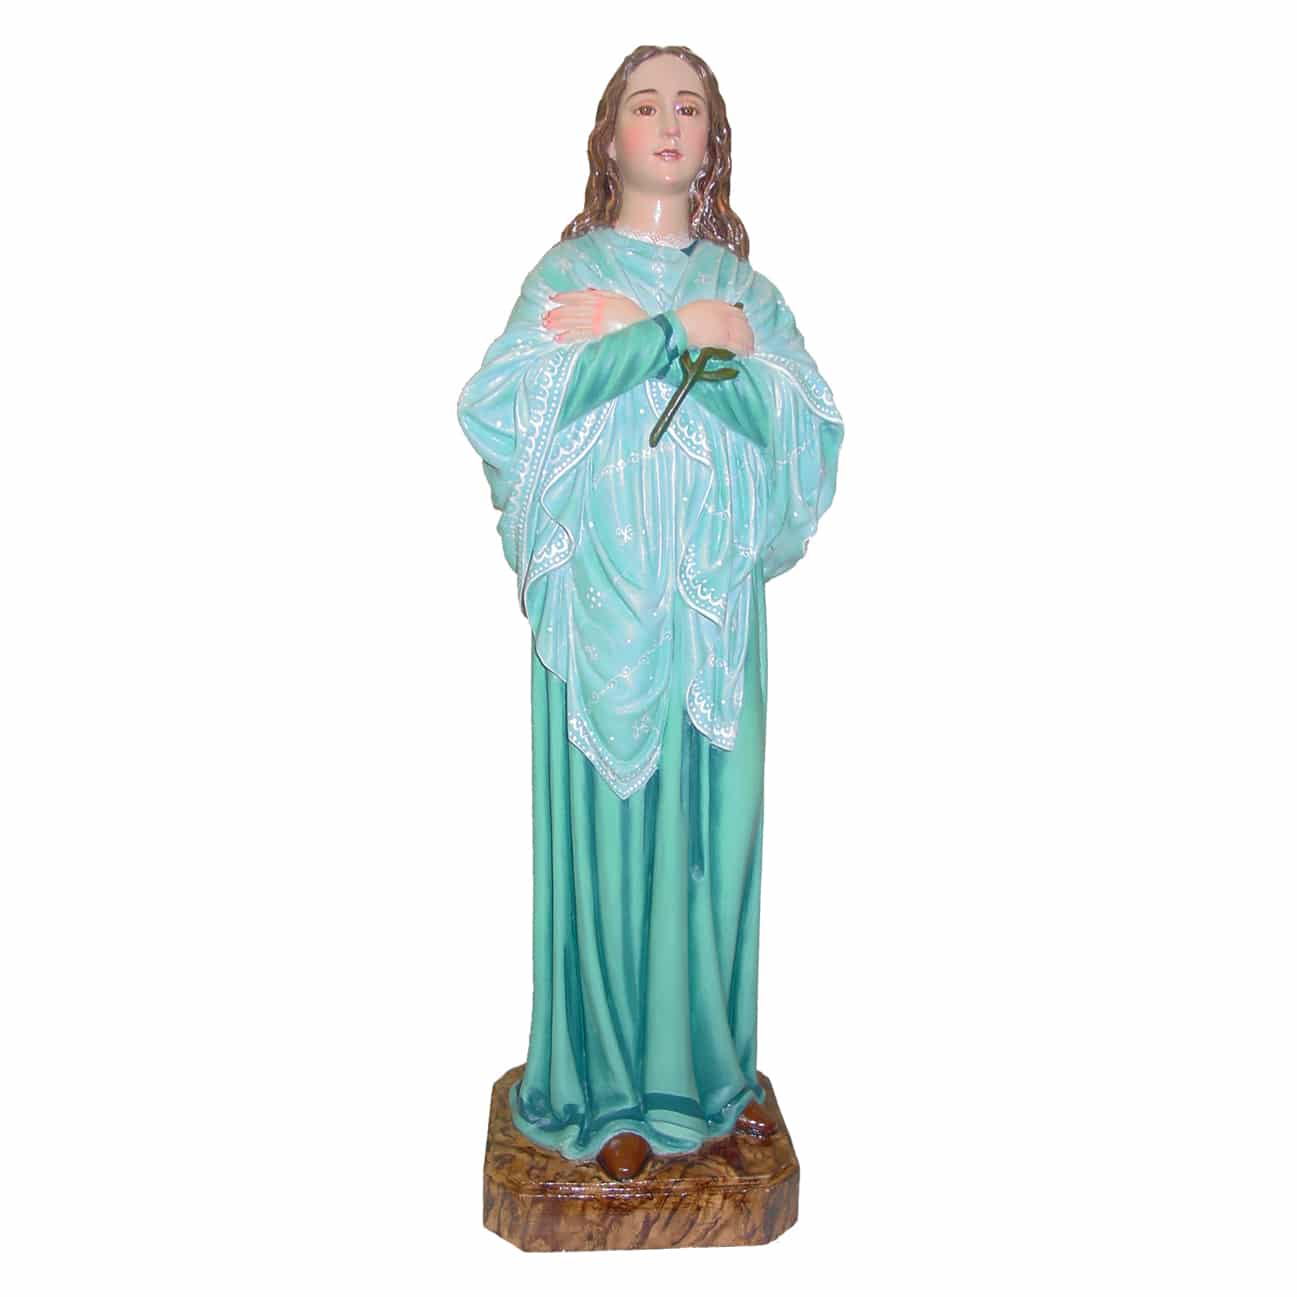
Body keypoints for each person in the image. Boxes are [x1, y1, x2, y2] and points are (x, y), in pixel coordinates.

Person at [457, 44, 843, 1181]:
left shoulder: (746, 292)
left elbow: (808, 428)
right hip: (602, 615)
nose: (668, 123)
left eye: (689, 107)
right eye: (644, 104)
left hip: (711, 618)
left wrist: (724, 344)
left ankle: (710, 1081)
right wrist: (663, 335)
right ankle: (604, 1090)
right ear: (609, 137)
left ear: (712, 141)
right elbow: (500, 408)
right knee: (611, 847)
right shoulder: (568, 275)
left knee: (711, 843)